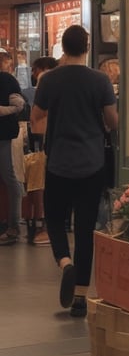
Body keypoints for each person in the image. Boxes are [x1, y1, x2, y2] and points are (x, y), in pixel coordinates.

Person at [31, 25, 118, 317]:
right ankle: (80, 297)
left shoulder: (49, 80)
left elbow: (35, 118)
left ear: (62, 48)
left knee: (54, 219)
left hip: (58, 162)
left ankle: (65, 263)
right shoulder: (100, 80)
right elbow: (112, 121)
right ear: (87, 46)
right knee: (84, 228)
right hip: (91, 163)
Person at [21, 56, 59, 245]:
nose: (34, 75)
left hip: (49, 143)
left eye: (35, 70)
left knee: (39, 176)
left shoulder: (47, 81)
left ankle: (45, 226)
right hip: (51, 144)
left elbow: (37, 117)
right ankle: (43, 224)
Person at [0, 51, 25, 245]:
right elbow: (19, 104)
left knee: (9, 176)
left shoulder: (7, 80)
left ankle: (13, 225)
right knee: (9, 177)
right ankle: (12, 224)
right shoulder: (9, 80)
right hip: (5, 134)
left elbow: (19, 104)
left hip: (3, 135)